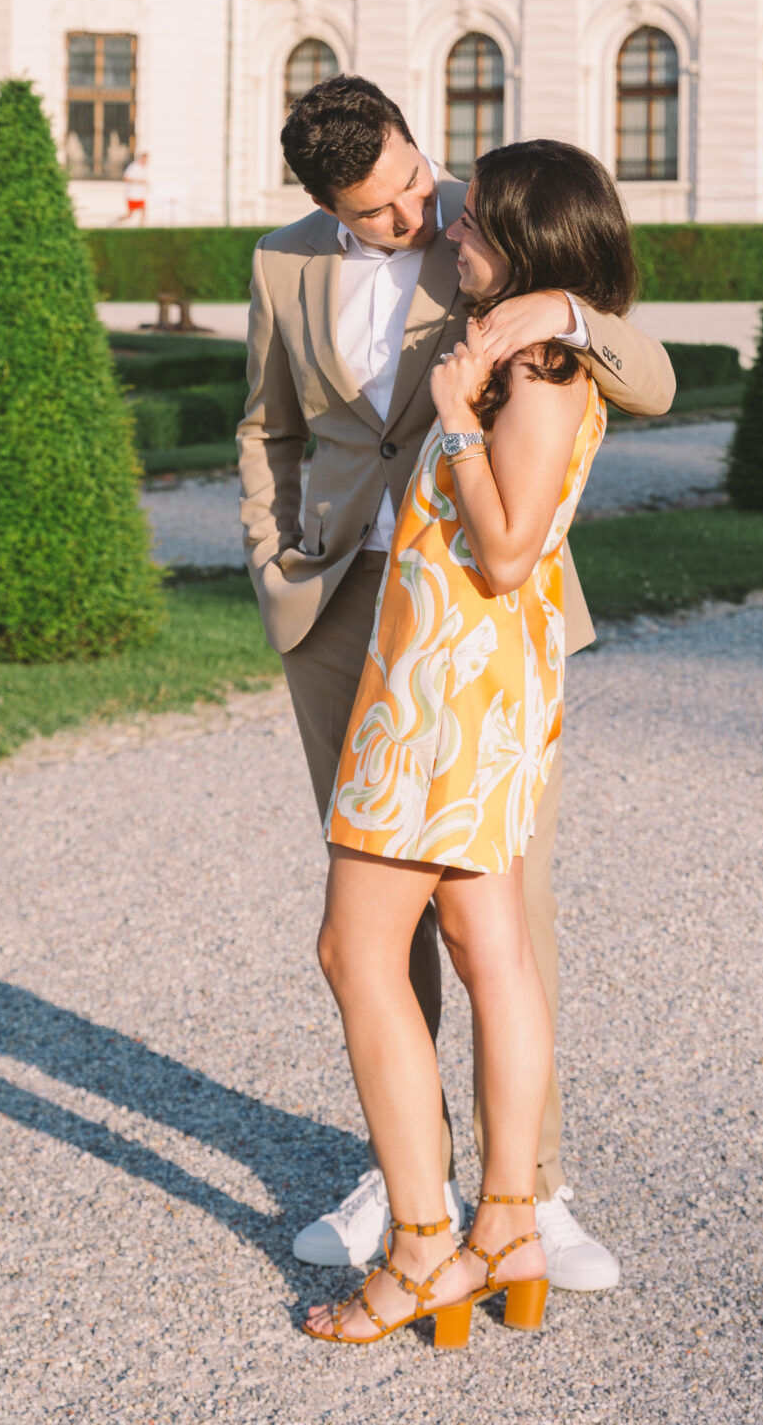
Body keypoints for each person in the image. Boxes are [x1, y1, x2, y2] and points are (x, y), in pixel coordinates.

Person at [237, 75, 674, 1289]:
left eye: (418, 182)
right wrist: (272, 560)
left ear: (419, 142)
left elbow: (654, 374)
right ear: (330, 205)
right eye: (379, 212)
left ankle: (527, 1186)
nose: (415, 216)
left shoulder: (499, 223)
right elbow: (266, 424)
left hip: (468, 619)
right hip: (338, 610)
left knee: (498, 919)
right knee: (382, 906)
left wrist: (567, 313)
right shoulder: (282, 265)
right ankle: (405, 1169)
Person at [302, 137, 629, 1347]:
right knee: (487, 945)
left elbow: (504, 548)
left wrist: (448, 426)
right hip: (458, 677)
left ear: (534, 246)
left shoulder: (539, 370)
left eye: (479, 222)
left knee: (353, 950)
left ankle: (427, 1244)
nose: (453, 231)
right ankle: (504, 1225)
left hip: (451, 689)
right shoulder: (518, 342)